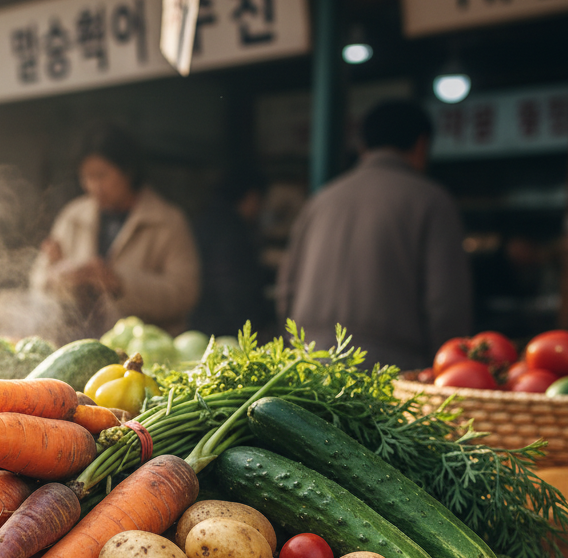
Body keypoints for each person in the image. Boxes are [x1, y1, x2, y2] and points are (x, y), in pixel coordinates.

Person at [276, 99, 472, 370]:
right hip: (390, 370)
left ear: (362, 146)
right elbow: (445, 305)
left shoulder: (321, 200)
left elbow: (286, 290)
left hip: (307, 361)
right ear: (421, 144)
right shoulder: (431, 201)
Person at [29, 123, 200, 339]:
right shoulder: (73, 216)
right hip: (80, 344)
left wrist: (118, 282)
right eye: (87, 177)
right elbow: (38, 282)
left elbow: (184, 295)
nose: (94, 186)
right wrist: (58, 276)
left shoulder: (168, 221)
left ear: (128, 171)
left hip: (147, 351)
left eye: (102, 175)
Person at [190, 169, 275, 341]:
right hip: (227, 327)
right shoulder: (233, 230)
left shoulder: (207, 219)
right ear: (251, 196)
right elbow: (233, 285)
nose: (260, 209)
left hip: (202, 323)